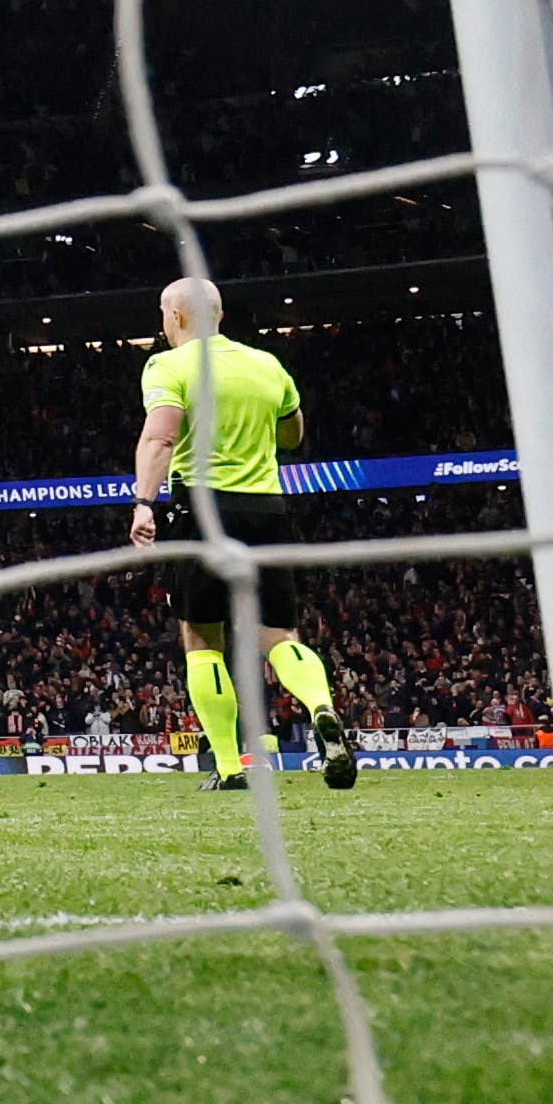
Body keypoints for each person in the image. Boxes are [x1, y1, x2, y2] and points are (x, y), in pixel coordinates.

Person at [128, 277, 353, 790]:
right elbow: (292, 434)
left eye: (163, 313)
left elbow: (160, 435)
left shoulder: (169, 365)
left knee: (201, 637)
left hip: (203, 510)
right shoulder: (266, 365)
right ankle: (321, 707)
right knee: (279, 635)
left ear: (177, 317)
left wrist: (144, 502)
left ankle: (229, 767)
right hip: (268, 511)